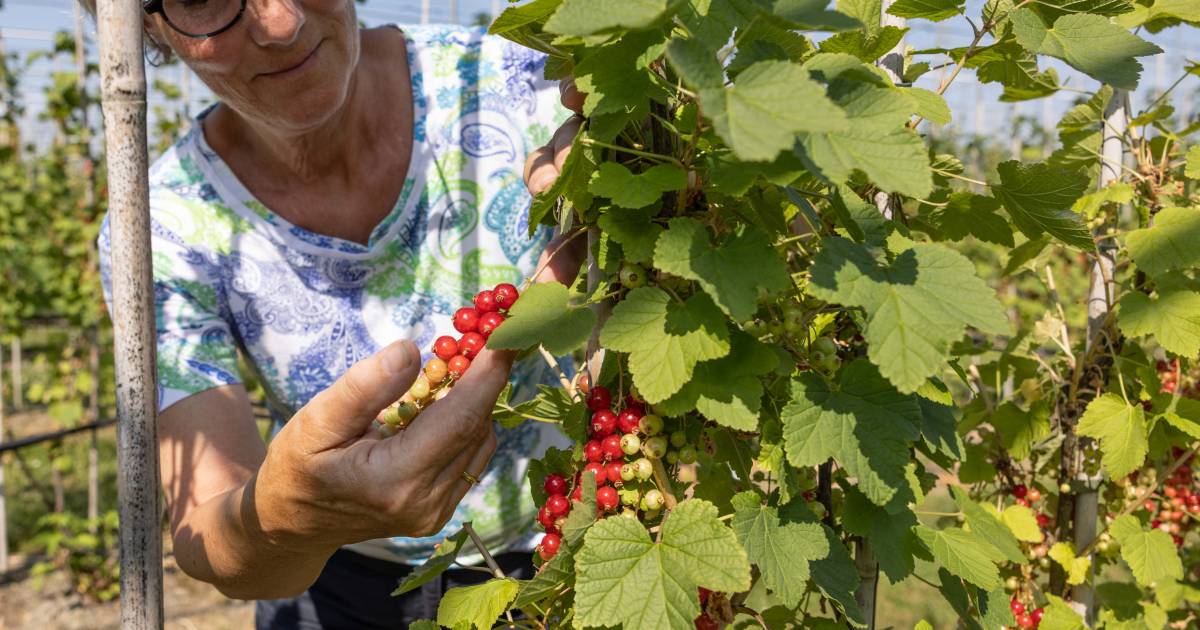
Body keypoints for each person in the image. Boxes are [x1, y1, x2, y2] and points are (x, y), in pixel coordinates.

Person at [89, 0, 585, 627]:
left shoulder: (520, 84)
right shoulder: (163, 227)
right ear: (149, 24)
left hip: (556, 555)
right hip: (332, 586)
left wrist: (641, 160)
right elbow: (207, 526)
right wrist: (289, 515)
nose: (282, 23)